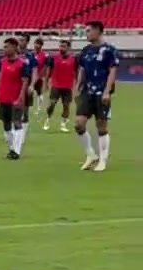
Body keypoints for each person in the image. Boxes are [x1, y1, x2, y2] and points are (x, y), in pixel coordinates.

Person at [75, 20, 118, 172]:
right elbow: (82, 69)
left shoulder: (110, 50)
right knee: (79, 124)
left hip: (101, 92)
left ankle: (103, 161)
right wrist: (77, 86)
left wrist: (107, 91)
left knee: (101, 126)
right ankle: (91, 154)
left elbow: (112, 71)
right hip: (87, 92)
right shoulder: (86, 50)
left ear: (98, 31)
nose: (86, 33)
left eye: (88, 30)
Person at [0, 36, 27, 160]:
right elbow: (0, 77)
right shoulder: (2, 62)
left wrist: (21, 98)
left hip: (15, 98)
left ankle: (17, 151)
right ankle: (12, 148)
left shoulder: (22, 63)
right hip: (4, 97)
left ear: (14, 47)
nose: (4, 49)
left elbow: (24, 82)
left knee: (17, 123)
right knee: (6, 125)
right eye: (4, 47)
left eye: (6, 47)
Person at [43, 39, 76, 131]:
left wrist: (77, 85)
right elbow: (48, 71)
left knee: (66, 106)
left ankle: (63, 124)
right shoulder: (53, 58)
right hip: (56, 86)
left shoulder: (74, 59)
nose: (61, 48)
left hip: (68, 86)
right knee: (52, 104)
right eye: (60, 46)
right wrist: (46, 83)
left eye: (64, 46)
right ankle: (48, 119)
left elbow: (77, 72)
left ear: (68, 48)